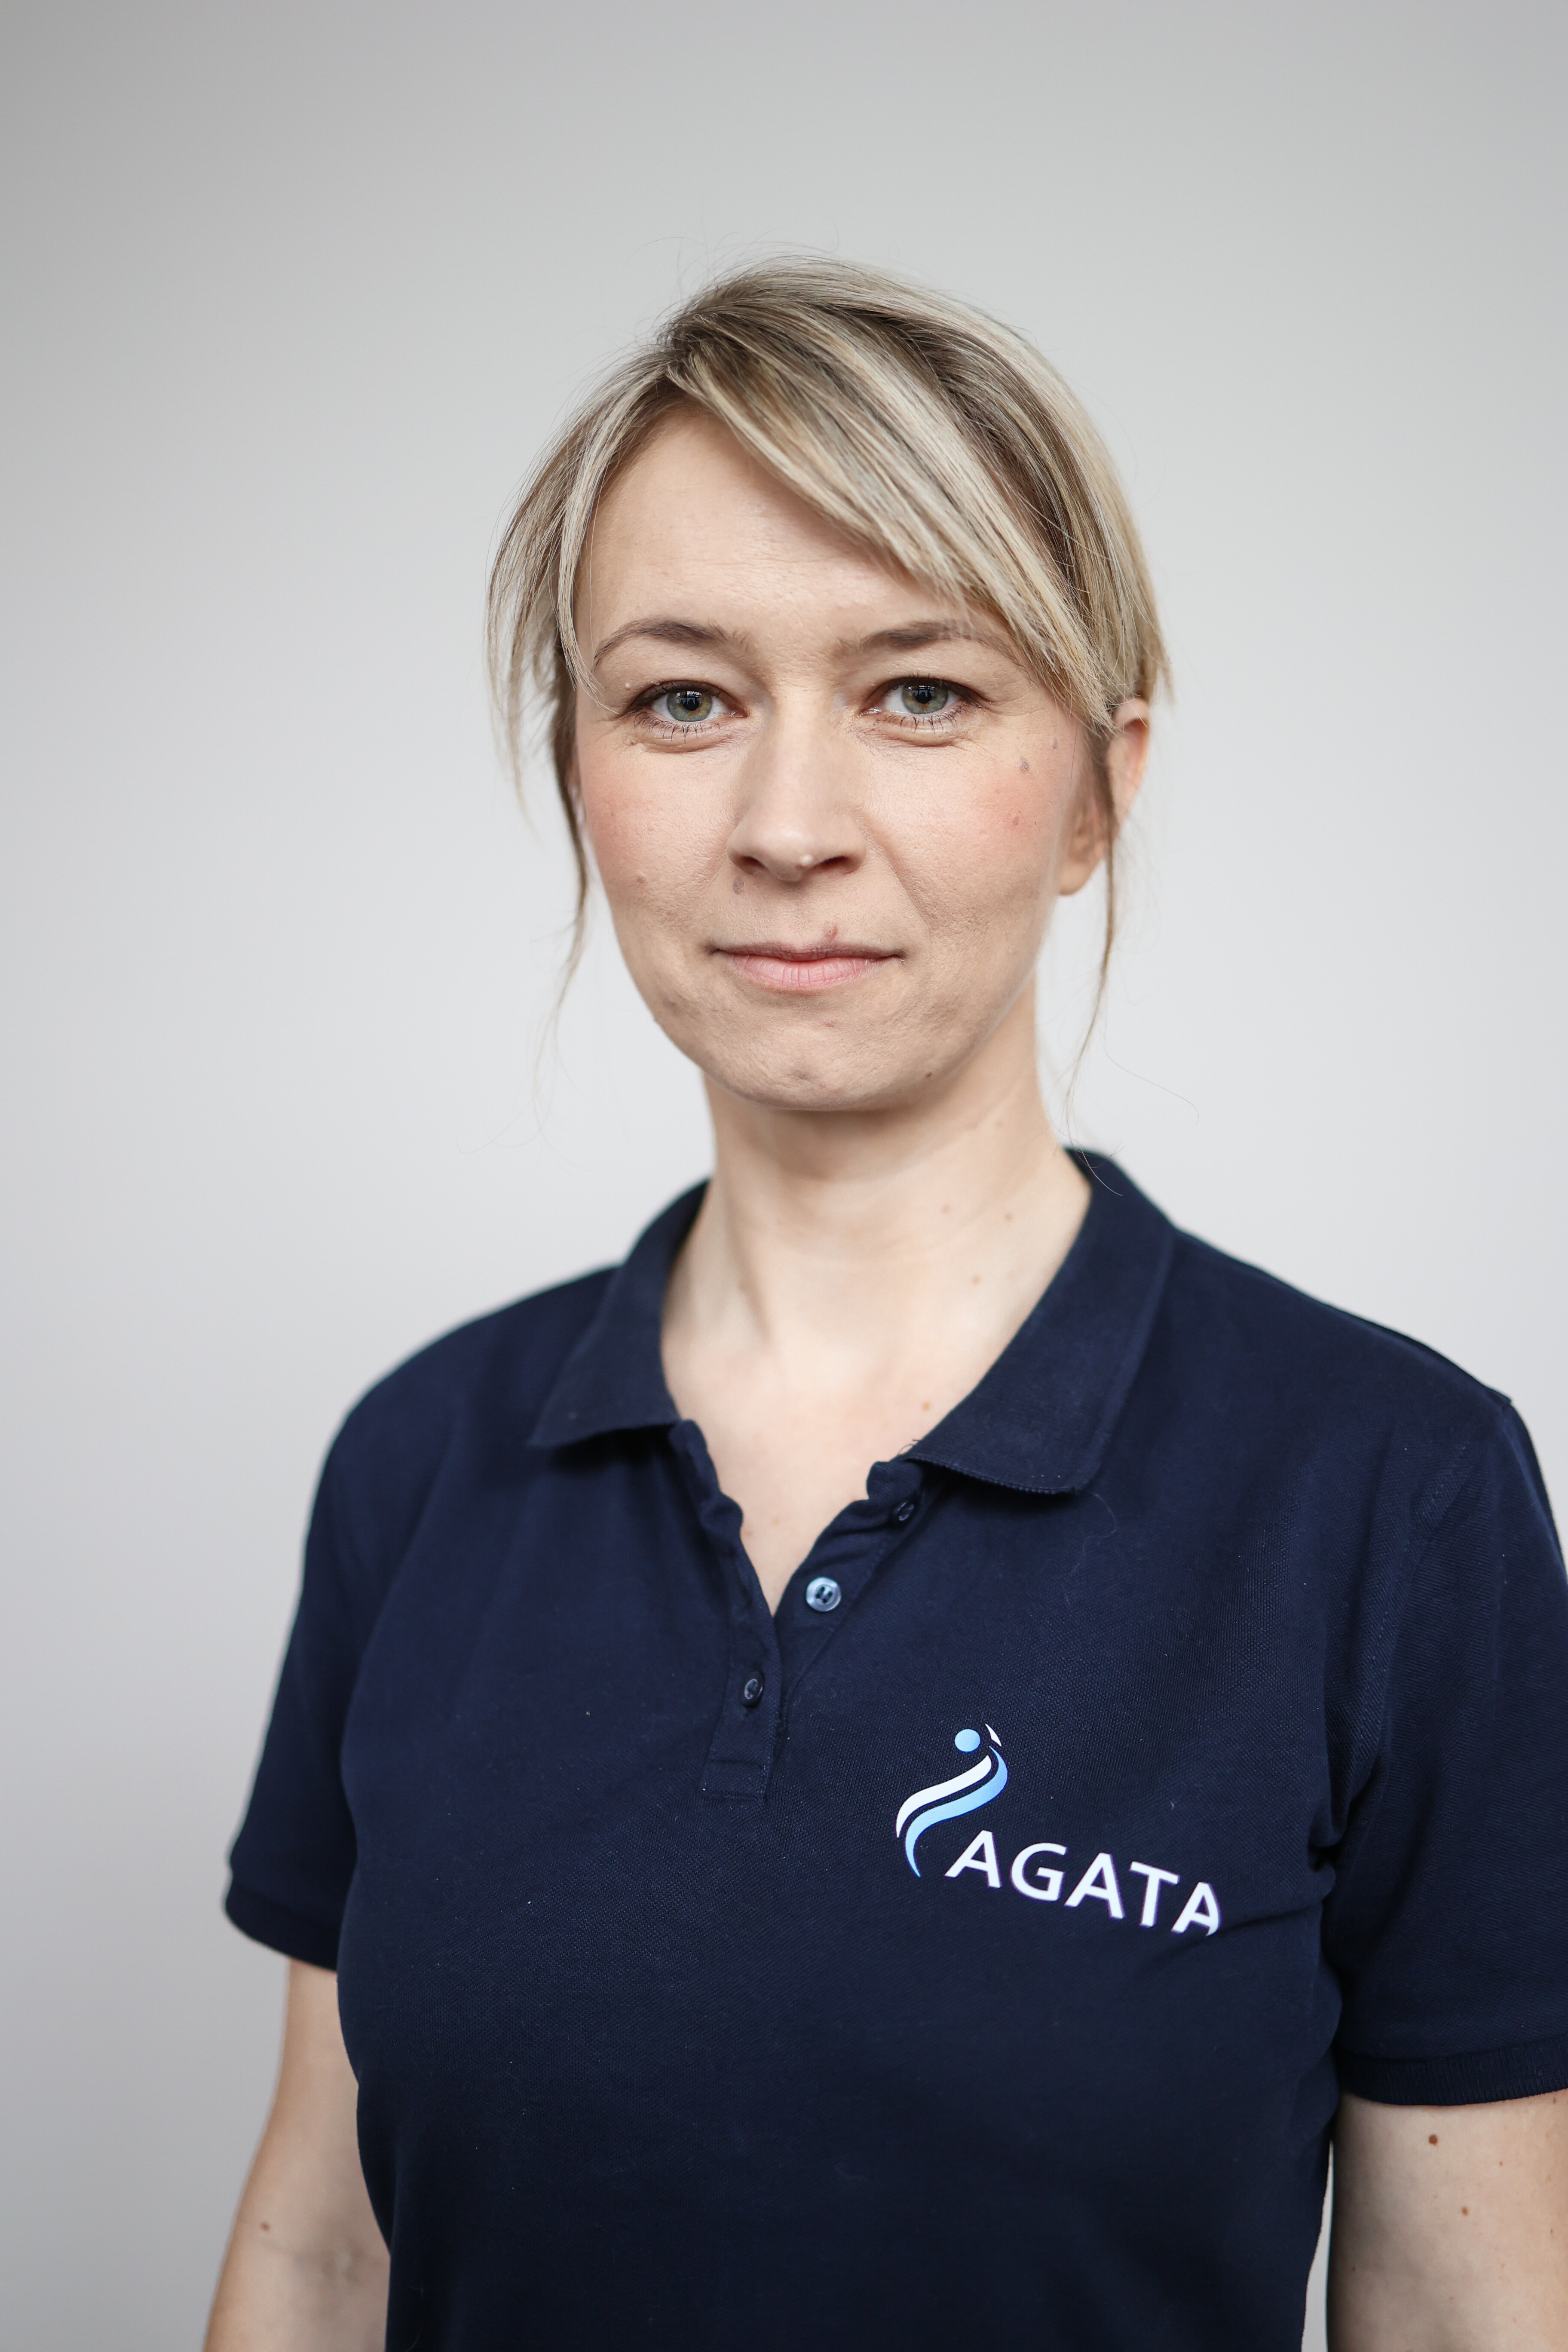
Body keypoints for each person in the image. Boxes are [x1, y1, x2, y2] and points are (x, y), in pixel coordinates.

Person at [205, 260, 1568, 2352]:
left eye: (919, 692)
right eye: (682, 700)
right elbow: (323, 2251)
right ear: (578, 770)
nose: (786, 828)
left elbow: (1472, 2308)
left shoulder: (1394, 1495)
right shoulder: (422, 1461)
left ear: (1098, 788)